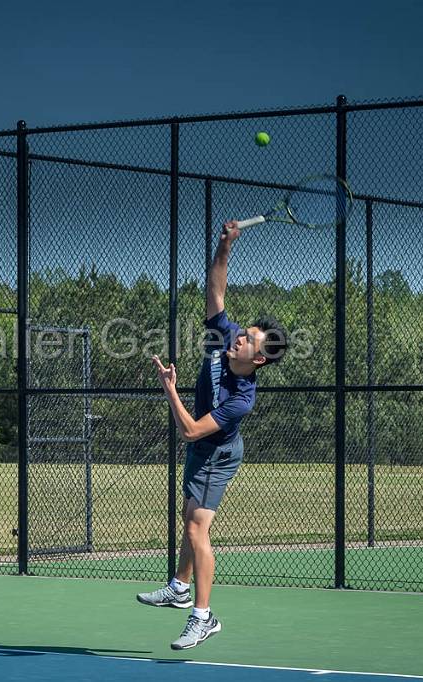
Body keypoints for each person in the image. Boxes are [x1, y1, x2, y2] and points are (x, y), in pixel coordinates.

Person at [139, 219, 288, 650]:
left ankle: (202, 617)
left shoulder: (242, 398)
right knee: (189, 521)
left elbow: (188, 429)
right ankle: (180, 587)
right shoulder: (223, 337)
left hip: (217, 454)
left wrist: (170, 389)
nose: (239, 337)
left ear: (258, 360)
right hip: (204, 448)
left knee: (196, 531)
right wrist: (225, 245)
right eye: (243, 333)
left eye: (248, 340)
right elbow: (215, 291)